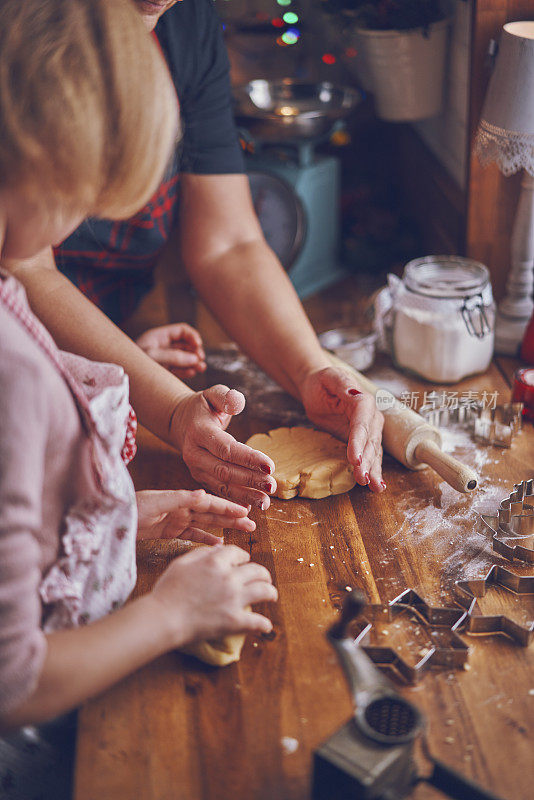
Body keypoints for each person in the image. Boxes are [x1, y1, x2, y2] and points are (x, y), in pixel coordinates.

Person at [0, 0, 276, 742]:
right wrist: (169, 614)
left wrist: (108, 521)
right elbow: (15, 681)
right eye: (88, 194)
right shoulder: (15, 376)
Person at [4, 0, 386, 512]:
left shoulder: (185, 26)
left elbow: (228, 243)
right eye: (81, 200)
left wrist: (310, 371)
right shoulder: (24, 39)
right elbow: (22, 266)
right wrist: (166, 406)